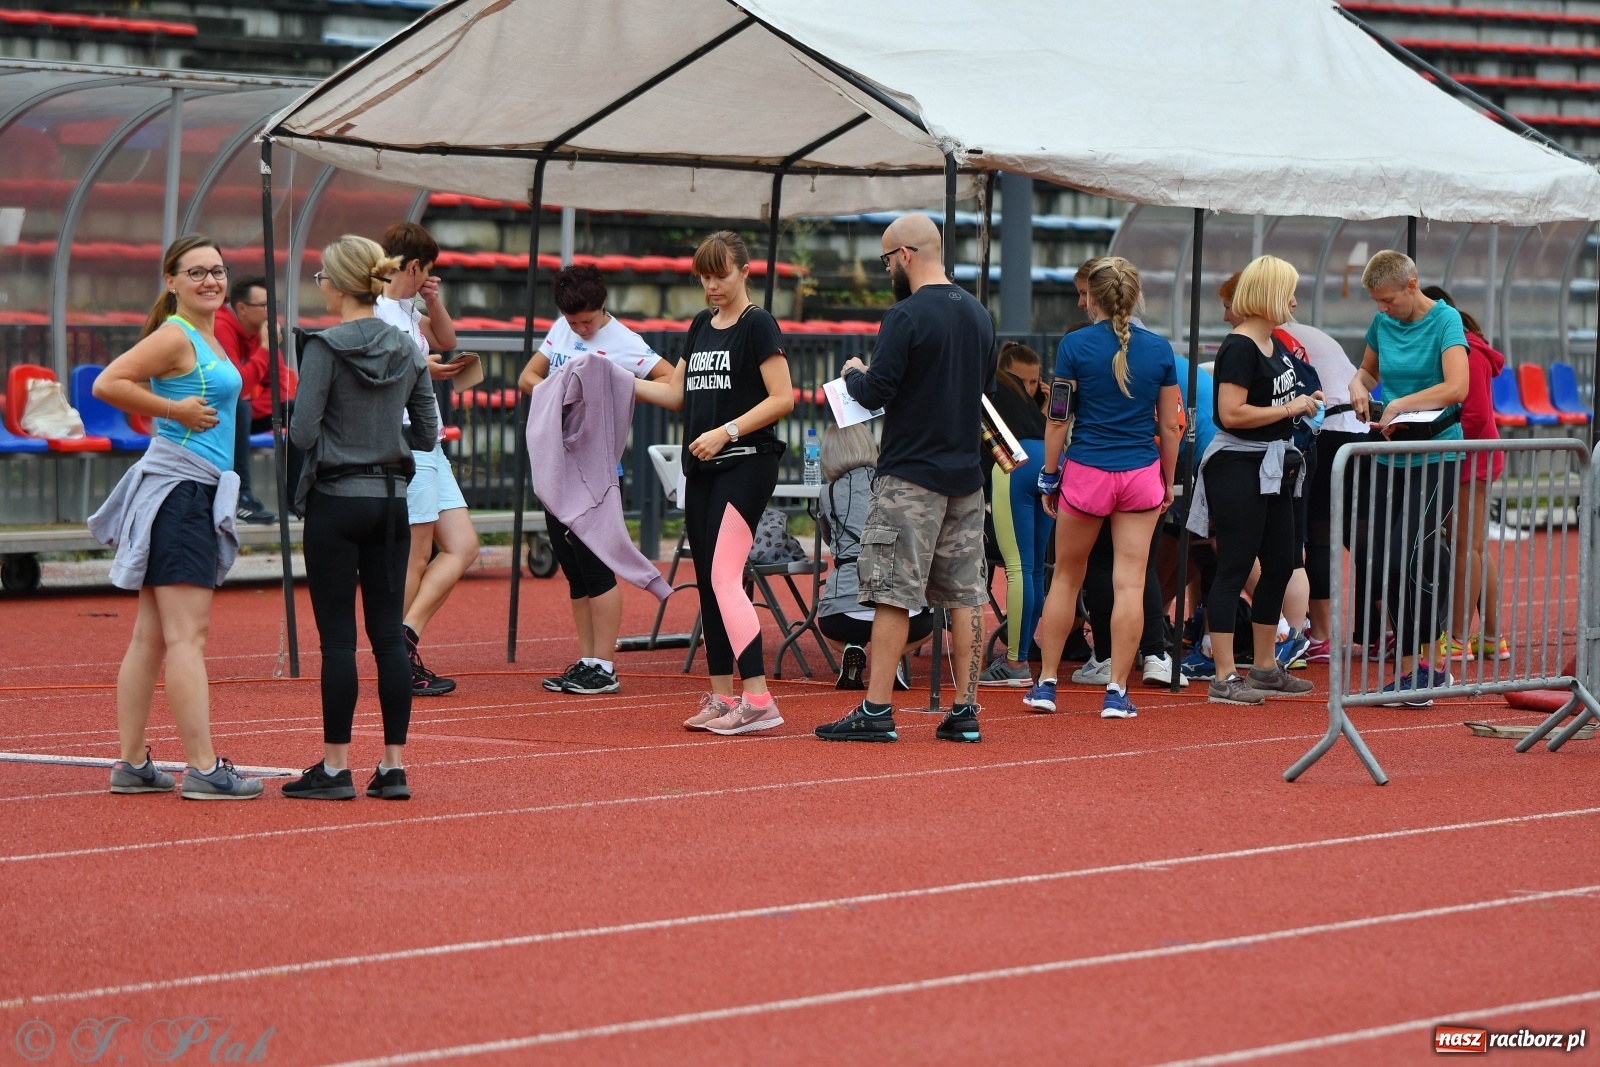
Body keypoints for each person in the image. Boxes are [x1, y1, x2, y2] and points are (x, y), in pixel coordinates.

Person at [87, 234, 262, 800]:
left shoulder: (205, 333)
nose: (210, 280)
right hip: (181, 492)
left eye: (217, 270)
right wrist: (173, 409)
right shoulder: (174, 335)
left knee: (152, 638)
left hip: (184, 492)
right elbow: (106, 383)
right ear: (171, 281)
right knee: (188, 638)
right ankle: (205, 769)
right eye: (195, 272)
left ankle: (133, 764)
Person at [813, 213, 997, 744]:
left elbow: (875, 393)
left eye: (887, 259)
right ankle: (965, 711)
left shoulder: (906, 315)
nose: (887, 269)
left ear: (907, 256)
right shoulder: (980, 316)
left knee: (891, 591)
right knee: (966, 596)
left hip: (910, 476)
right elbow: (980, 389)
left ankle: (875, 709)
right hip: (965, 478)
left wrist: (853, 374)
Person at [282, 236, 437, 801]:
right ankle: (393, 767)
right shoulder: (408, 348)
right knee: (390, 639)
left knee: (338, 643)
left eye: (321, 278)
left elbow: (301, 434)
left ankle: (335, 766)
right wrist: (381, 437)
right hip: (392, 501)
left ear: (338, 284)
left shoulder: (323, 348)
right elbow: (425, 433)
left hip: (337, 500)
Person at [634, 231, 794, 735]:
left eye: (720, 276)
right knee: (708, 584)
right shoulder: (701, 325)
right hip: (702, 469)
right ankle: (724, 698)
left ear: (745, 272)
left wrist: (726, 432)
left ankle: (760, 699)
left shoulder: (758, 324)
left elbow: (783, 397)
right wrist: (616, 380)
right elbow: (679, 394)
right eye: (704, 277)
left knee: (726, 577)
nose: (711, 286)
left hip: (747, 462)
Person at [1025, 257, 1182, 719]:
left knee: (1067, 577)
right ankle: (1116, 692)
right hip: (1139, 474)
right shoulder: (1159, 349)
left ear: (1091, 297)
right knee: (1130, 583)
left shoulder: (1074, 345)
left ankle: (1047, 684)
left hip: (1088, 471)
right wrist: (1168, 482)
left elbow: (1058, 420)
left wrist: (1049, 476)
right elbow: (1170, 427)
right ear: (1136, 297)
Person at [519, 265, 673, 695]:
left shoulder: (624, 344)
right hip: (556, 468)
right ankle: (586, 659)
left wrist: (614, 385)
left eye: (587, 321)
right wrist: (560, 388)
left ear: (603, 308)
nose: (580, 330)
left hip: (595, 473)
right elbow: (528, 377)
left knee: (598, 567)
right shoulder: (562, 330)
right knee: (575, 573)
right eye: (573, 323)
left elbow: (671, 386)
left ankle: (605, 665)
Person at [1186, 256, 1318, 705]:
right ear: (1268, 296)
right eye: (1289, 293)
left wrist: (1303, 400)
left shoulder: (1273, 342)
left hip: (1274, 465)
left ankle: (1264, 668)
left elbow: (1270, 399)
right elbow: (1231, 413)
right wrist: (1290, 408)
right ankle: (1225, 675)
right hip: (1240, 466)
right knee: (1235, 566)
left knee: (1281, 563)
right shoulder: (1240, 346)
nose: (1295, 301)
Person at [1348, 252, 1468, 705]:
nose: (1382, 309)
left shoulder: (1446, 321)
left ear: (1412, 285)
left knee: (1405, 554)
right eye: (1376, 302)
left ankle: (1426, 666)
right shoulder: (1382, 325)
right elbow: (1368, 370)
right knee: (1381, 558)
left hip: (1435, 454)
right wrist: (1358, 384)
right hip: (1392, 456)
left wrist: (1401, 404)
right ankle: (1415, 669)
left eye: (1388, 299)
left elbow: (1458, 387)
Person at [373, 221, 473, 698]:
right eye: (425, 271)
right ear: (412, 266)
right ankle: (396, 656)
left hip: (427, 439)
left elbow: (446, 339)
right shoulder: (378, 310)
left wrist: (432, 299)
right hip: (405, 439)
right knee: (414, 555)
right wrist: (424, 367)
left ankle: (404, 637)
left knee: (463, 545)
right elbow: (384, 374)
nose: (426, 277)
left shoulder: (407, 307)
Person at [1421, 285, 1508, 665]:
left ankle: (1457, 638)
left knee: (1465, 546)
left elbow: (1469, 414)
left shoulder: (1466, 351)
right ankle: (1490, 638)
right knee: (1473, 546)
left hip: (1470, 455)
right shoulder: (1466, 344)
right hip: (1472, 453)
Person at [817, 424, 935, 688]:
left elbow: (829, 538)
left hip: (843, 613)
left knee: (826, 621)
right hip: (901, 606)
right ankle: (889, 658)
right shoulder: (897, 484)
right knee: (933, 620)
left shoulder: (828, 493)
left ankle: (851, 648)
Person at [1281, 316, 1367, 667]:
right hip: (1359, 428)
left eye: (1229, 305)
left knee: (1317, 537)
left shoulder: (1278, 336)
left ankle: (1318, 635)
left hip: (1330, 432)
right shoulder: (1313, 333)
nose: (1227, 315)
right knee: (1361, 535)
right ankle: (1388, 630)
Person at [978, 342, 1050, 687]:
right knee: (1034, 567)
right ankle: (1021, 655)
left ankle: (1015, 662)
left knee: (1017, 567)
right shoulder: (1013, 387)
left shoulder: (976, 384)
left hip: (1012, 460)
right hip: (1048, 458)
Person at [213, 275, 277, 525]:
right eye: (263, 306)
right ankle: (242, 497)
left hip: (242, 410)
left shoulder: (261, 331)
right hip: (213, 409)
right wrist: (264, 350)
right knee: (240, 409)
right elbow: (235, 388)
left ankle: (297, 499)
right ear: (242, 308)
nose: (269, 313)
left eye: (273, 305)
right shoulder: (222, 326)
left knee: (291, 409)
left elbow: (282, 385)